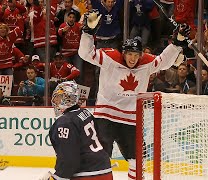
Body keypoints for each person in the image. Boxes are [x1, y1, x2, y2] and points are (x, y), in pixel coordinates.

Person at [78, 10, 190, 179]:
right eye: (129, 54)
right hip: (105, 115)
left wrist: (177, 43)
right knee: (100, 157)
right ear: (124, 53)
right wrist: (87, 33)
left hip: (130, 118)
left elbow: (164, 61)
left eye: (136, 55)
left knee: (137, 158)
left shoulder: (146, 63)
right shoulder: (111, 58)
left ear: (140, 54)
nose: (133, 58)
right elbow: (85, 54)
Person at [40, 81, 113, 180]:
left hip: (87, 175)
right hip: (106, 170)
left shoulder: (64, 123)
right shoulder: (86, 113)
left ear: (67, 98)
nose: (55, 100)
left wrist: (58, 177)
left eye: (59, 97)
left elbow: (69, 158)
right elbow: (104, 141)